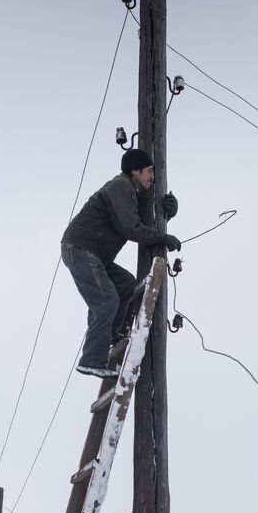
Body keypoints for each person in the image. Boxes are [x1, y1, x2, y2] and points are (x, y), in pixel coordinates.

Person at [60, 149, 181, 378]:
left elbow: (145, 220)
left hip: (96, 255)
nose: (152, 176)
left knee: (125, 284)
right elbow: (131, 228)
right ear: (134, 171)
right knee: (106, 301)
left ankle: (112, 335)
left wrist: (168, 211)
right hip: (81, 249)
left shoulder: (134, 192)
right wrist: (162, 237)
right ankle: (91, 360)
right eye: (148, 171)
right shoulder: (121, 187)